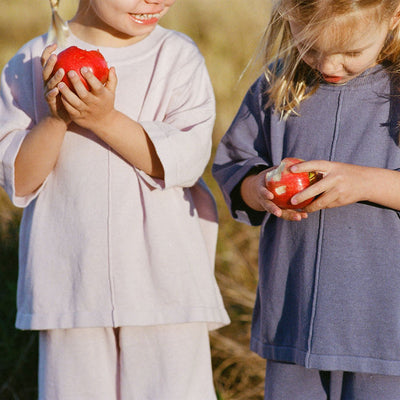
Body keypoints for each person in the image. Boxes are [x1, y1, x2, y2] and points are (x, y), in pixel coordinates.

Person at [0, 0, 230, 399]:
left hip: (164, 284)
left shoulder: (176, 56)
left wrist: (103, 119)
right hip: (72, 288)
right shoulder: (31, 61)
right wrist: (56, 119)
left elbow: (187, 160)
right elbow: (19, 180)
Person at [212, 0, 400, 399]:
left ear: (394, 18)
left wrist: (364, 183)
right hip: (294, 322)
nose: (330, 66)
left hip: (385, 332)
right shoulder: (278, 83)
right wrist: (260, 187)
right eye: (311, 48)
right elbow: (235, 167)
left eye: (350, 53)